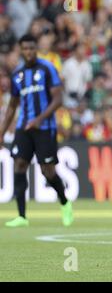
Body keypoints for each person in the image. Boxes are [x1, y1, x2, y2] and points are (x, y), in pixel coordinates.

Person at [0, 34, 73, 227]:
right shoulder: (17, 74)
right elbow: (12, 106)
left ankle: (65, 203)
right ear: (21, 50)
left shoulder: (47, 68)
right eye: (25, 49)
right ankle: (22, 216)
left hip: (45, 127)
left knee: (47, 171)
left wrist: (39, 120)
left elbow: (58, 100)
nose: (29, 52)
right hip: (23, 127)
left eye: (32, 48)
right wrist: (1, 132)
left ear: (36, 49)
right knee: (19, 165)